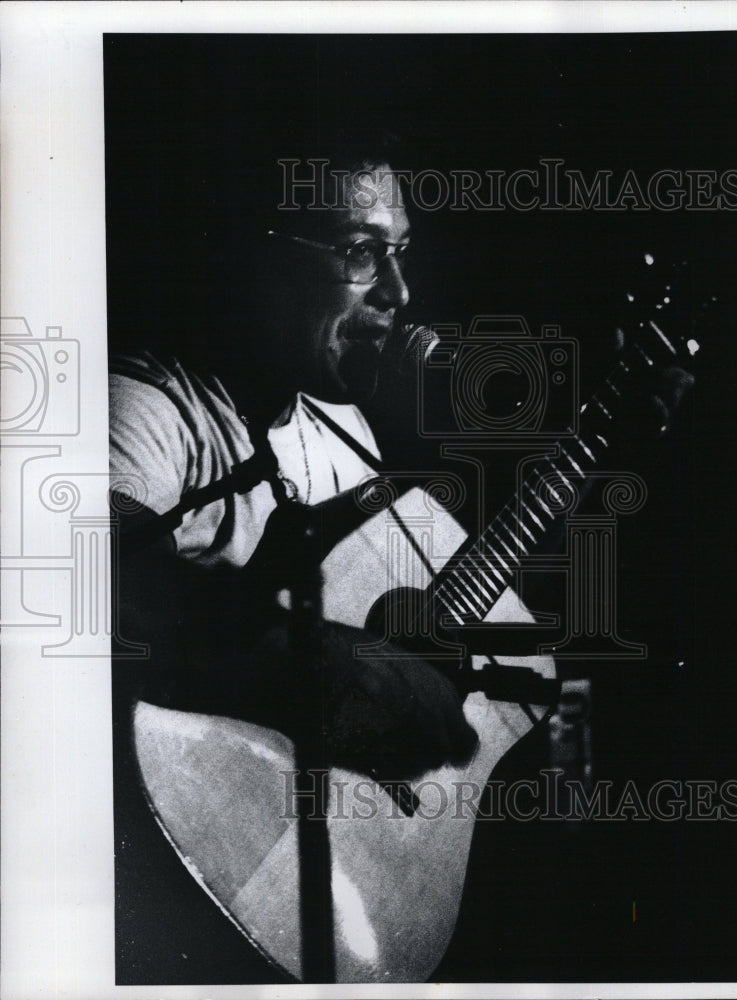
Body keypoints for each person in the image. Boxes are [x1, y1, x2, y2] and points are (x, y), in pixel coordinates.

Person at [109, 127, 693, 982]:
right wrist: (315, 664)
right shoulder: (154, 405)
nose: (398, 291)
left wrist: (607, 447)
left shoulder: (341, 430)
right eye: (359, 252)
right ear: (260, 257)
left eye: (401, 254)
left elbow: (429, 615)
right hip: (190, 853)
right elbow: (91, 575)